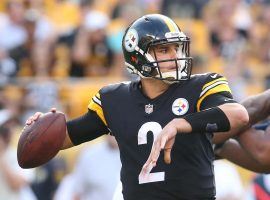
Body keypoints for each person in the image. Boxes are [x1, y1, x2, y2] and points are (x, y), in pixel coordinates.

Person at [26, 14, 249, 200]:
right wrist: (40, 128)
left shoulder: (201, 86)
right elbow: (65, 137)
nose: (175, 56)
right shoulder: (114, 99)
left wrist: (180, 124)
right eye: (164, 50)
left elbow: (238, 114)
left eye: (177, 48)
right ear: (137, 56)